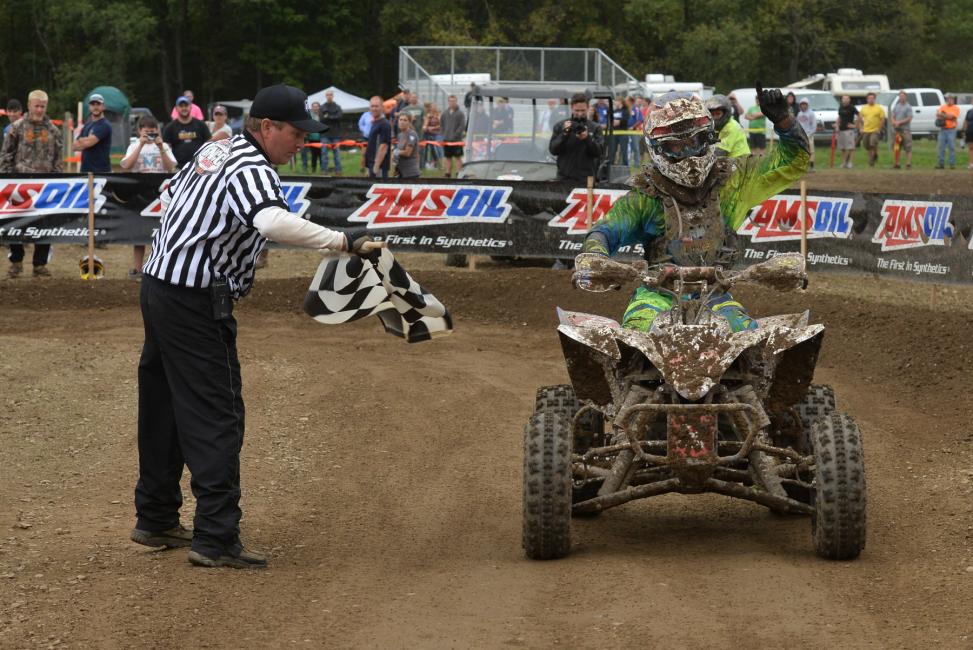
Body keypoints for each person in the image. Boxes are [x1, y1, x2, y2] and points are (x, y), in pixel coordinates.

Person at [132, 83, 383, 569]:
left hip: (160, 286)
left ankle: (157, 515)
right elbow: (271, 222)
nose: (302, 143)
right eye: (296, 133)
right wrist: (342, 241)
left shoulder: (217, 148)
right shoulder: (252, 166)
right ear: (267, 126)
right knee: (217, 414)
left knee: (164, 407)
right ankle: (216, 536)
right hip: (194, 299)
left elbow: (175, 196)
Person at [579, 87, 809, 333]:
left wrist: (784, 122)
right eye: (676, 146)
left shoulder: (734, 179)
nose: (688, 153)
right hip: (657, 295)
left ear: (708, 137)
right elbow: (606, 230)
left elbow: (792, 162)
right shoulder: (646, 194)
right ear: (657, 149)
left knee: (747, 337)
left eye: (694, 141)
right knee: (637, 332)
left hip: (715, 294)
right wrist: (596, 256)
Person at [0, 90, 62, 278]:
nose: (39, 110)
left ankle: (40, 264)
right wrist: (7, 181)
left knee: (45, 225)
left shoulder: (54, 130)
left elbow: (58, 160)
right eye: (36, 106)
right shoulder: (16, 128)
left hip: (45, 187)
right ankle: (16, 262)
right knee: (15, 224)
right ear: (28, 105)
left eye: (43, 106)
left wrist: (58, 181)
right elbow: (6, 155)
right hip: (19, 186)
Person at [120, 114, 177, 280]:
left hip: (160, 194)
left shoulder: (163, 145)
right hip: (140, 193)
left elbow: (171, 167)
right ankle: (137, 269)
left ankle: (159, 269)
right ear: (139, 131)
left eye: (153, 132)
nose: (150, 135)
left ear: (157, 130)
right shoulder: (134, 145)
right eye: (147, 132)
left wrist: (160, 147)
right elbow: (126, 165)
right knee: (139, 232)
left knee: (162, 232)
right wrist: (140, 145)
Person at [549, 93, 604, 183]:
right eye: (577, 110)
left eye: (583, 110)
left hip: (587, 178)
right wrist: (564, 134)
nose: (580, 113)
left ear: (588, 108)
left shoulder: (595, 127)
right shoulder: (560, 126)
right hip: (564, 178)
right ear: (571, 108)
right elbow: (553, 150)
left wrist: (587, 138)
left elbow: (599, 152)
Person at [163, 96, 211, 167]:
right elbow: (166, 148)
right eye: (181, 106)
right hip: (178, 167)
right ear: (176, 108)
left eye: (186, 105)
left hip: (199, 166)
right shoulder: (170, 127)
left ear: (191, 107)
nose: (184, 108)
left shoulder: (201, 125)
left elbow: (209, 144)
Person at [73, 93, 112, 173]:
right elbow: (75, 146)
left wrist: (83, 141)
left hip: (101, 173)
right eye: (93, 104)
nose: (95, 107)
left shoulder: (105, 125)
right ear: (89, 107)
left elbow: (89, 143)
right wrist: (87, 140)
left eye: (98, 104)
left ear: (103, 106)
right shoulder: (87, 125)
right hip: (85, 172)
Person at [363, 95, 391, 179]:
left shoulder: (384, 124)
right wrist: (368, 167)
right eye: (372, 106)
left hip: (379, 167)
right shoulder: (375, 122)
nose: (374, 108)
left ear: (382, 107)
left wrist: (376, 166)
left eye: (376, 106)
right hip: (372, 165)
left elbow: (384, 146)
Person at [440, 94, 465, 178]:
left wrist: (455, 135)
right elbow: (442, 124)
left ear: (456, 101)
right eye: (450, 101)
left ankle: (459, 173)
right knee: (448, 157)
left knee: (458, 157)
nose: (452, 103)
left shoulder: (460, 113)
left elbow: (462, 126)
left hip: (456, 140)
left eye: (453, 101)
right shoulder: (445, 113)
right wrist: (444, 134)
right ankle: (448, 173)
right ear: (448, 102)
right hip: (446, 139)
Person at [859, 92, 886, 167]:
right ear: (867, 99)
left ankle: (871, 161)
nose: (871, 100)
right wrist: (861, 128)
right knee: (867, 146)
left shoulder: (879, 108)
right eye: (869, 98)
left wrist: (879, 128)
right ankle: (875, 154)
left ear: (874, 99)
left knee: (872, 144)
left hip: (875, 130)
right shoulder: (864, 108)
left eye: (872, 98)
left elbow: (882, 119)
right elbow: (860, 119)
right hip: (866, 130)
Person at [320, 90, 343, 175]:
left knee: (337, 153)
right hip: (325, 134)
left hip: (336, 134)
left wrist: (328, 116)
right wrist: (333, 117)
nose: (329, 96)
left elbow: (339, 117)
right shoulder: (322, 107)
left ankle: (338, 170)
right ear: (326, 96)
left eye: (330, 95)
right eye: (327, 95)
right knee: (324, 153)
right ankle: (324, 170)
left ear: (333, 96)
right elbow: (322, 118)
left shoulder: (337, 106)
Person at [936, 93, 961, 169]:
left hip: (951, 130)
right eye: (948, 99)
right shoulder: (942, 107)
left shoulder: (956, 108)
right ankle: (941, 164)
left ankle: (952, 164)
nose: (949, 100)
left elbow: (952, 117)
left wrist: (943, 115)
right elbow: (937, 115)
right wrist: (946, 115)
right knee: (941, 147)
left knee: (952, 147)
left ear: (953, 100)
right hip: (943, 129)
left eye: (950, 99)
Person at [890, 90, 914, 170]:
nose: (901, 98)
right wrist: (894, 122)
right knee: (896, 147)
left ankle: (908, 164)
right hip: (897, 131)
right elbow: (892, 115)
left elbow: (909, 118)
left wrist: (899, 122)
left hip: (905, 130)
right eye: (900, 96)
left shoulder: (908, 107)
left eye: (903, 96)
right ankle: (897, 164)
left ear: (906, 97)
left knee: (908, 147)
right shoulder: (896, 106)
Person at [393, 113, 420, 179]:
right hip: (401, 171)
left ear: (409, 123)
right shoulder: (400, 135)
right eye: (400, 120)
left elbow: (407, 153)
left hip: (411, 173)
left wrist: (396, 152)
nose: (402, 122)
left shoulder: (411, 134)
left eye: (405, 120)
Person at [836, 95, 859, 169]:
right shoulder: (840, 107)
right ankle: (844, 163)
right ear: (842, 100)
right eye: (844, 99)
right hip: (841, 130)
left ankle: (850, 163)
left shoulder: (852, 107)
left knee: (851, 147)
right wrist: (837, 125)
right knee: (842, 148)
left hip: (849, 130)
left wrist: (855, 125)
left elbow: (860, 115)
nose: (845, 100)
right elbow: (839, 117)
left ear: (849, 100)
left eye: (846, 99)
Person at [608, 94, 630, 167]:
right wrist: (615, 122)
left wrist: (618, 122)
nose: (615, 103)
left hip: (623, 133)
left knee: (624, 151)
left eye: (616, 101)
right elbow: (611, 121)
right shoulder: (615, 111)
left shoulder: (625, 110)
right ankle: (611, 166)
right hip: (614, 133)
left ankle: (625, 166)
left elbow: (624, 120)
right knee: (612, 150)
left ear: (620, 101)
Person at [796, 97, 817, 169]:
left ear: (807, 105)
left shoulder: (811, 113)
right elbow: (797, 125)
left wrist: (809, 134)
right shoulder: (799, 114)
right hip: (800, 135)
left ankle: (812, 166)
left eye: (805, 104)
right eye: (802, 104)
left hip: (809, 135)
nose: (803, 106)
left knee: (811, 150)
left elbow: (814, 126)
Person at [421, 103, 442, 171]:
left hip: (437, 134)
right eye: (432, 107)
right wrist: (426, 126)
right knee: (428, 149)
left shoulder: (439, 115)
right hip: (429, 134)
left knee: (437, 149)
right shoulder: (428, 115)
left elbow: (441, 124)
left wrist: (433, 128)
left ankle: (438, 164)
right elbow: (425, 125)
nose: (433, 108)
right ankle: (427, 163)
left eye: (434, 107)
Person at [626, 96, 644, 166]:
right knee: (626, 147)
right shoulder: (625, 109)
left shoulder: (636, 109)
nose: (625, 102)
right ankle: (625, 163)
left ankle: (637, 163)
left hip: (634, 132)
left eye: (627, 100)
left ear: (630, 101)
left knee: (635, 147)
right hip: (624, 131)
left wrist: (632, 127)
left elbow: (640, 120)